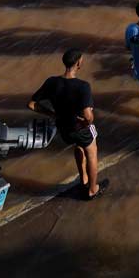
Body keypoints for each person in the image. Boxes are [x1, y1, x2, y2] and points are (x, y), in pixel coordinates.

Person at [30, 48, 103, 199]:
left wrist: (52, 114)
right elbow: (88, 116)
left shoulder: (51, 82)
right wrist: (88, 122)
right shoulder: (83, 86)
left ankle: (83, 177)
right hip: (79, 127)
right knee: (92, 152)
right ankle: (93, 189)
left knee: (77, 145)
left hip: (64, 128)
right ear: (78, 64)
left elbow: (31, 104)